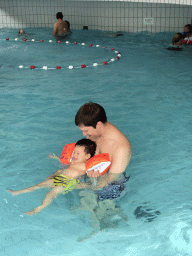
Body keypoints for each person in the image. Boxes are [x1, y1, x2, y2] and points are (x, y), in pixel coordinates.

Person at [7, 139, 96, 216]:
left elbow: (90, 173)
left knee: (50, 194)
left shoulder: (85, 166)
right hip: (60, 177)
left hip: (68, 183)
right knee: (39, 185)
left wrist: (92, 174)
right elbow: (66, 166)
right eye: (74, 152)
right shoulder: (73, 161)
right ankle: (17, 192)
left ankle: (37, 210)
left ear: (87, 156)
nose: (74, 155)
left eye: (78, 153)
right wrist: (57, 159)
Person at [75, 102, 132, 198]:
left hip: (112, 185)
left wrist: (80, 186)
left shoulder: (121, 147)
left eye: (86, 130)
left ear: (99, 125)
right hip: (93, 177)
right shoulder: (93, 133)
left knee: (100, 206)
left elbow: (113, 179)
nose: (84, 135)